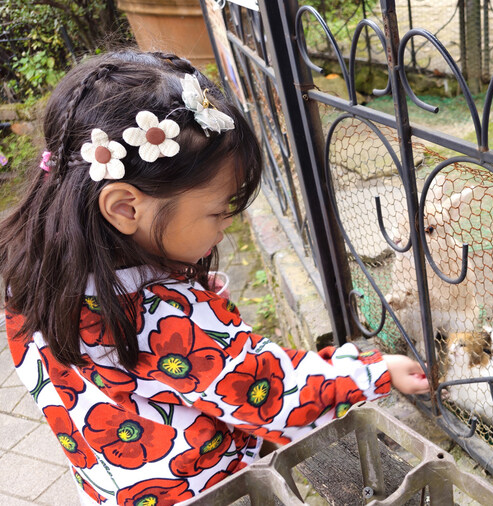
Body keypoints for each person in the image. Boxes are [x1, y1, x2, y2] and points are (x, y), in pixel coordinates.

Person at [0, 50, 430, 505]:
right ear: (125, 207)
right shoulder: (160, 314)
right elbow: (265, 390)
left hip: (112, 483)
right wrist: (370, 373)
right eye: (217, 210)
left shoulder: (33, 277)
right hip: (207, 490)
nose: (229, 224)